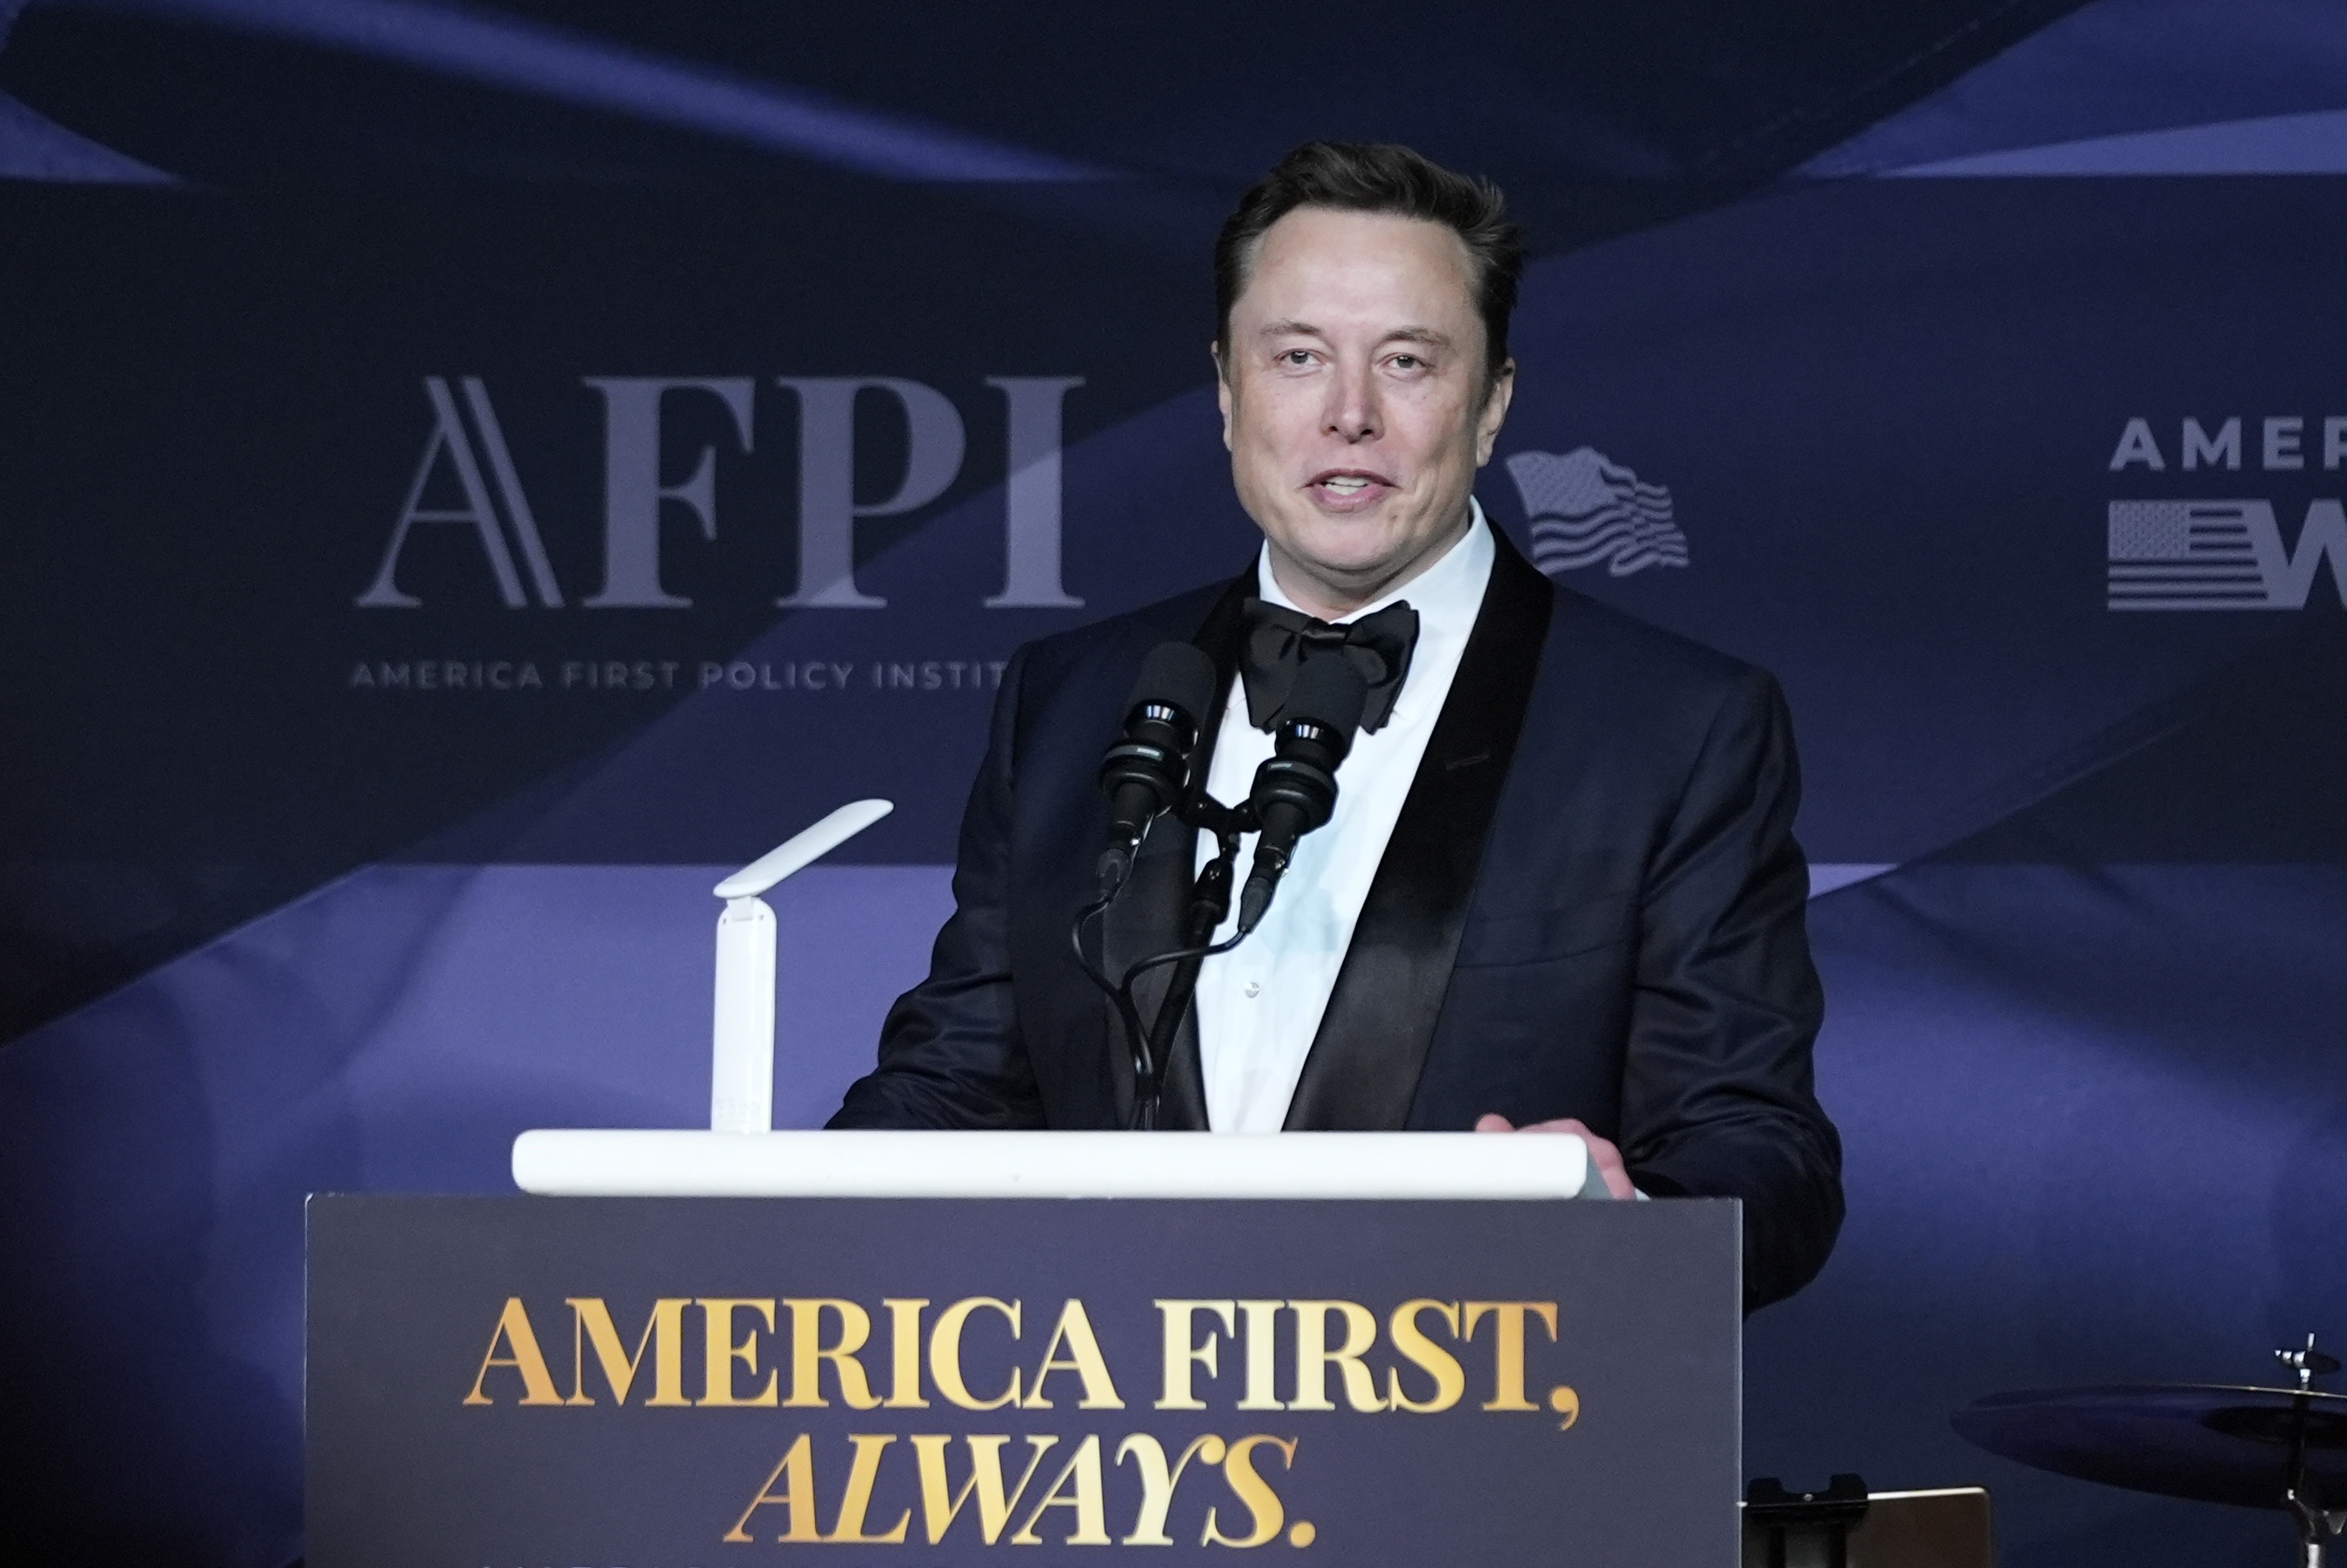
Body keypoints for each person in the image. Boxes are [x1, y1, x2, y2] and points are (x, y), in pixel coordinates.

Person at [832, 141, 1841, 1311]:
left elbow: (1760, 1152)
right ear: (1225, 389)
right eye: (1297, 357)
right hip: (1109, 1443)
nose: (1348, 414)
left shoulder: (1673, 724)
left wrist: (1626, 1232)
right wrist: (745, 1235)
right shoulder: (1068, 699)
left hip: (1483, 1434)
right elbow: (954, 1087)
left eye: (1406, 362)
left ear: (1492, 403)